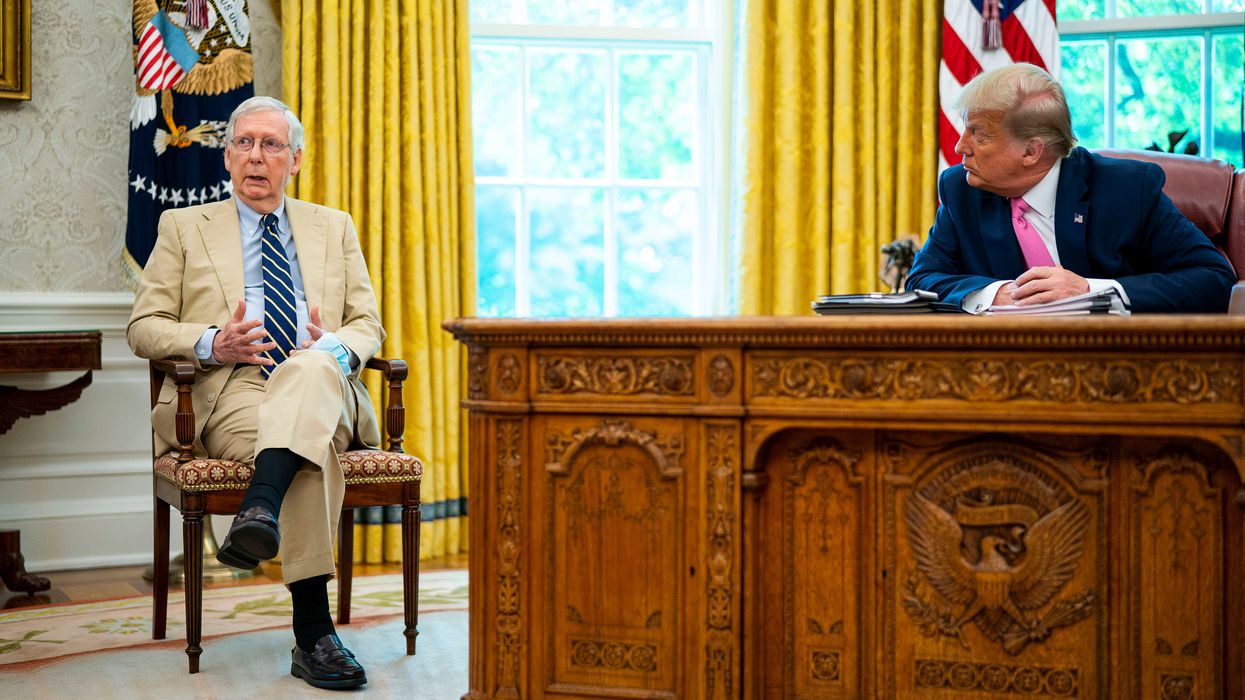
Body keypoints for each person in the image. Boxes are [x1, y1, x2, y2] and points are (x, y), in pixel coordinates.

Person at [127, 96, 381, 690]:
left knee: (312, 372)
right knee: (307, 450)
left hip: (322, 382)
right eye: (243, 143)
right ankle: (314, 636)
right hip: (234, 389)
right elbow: (143, 326)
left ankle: (259, 508)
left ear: (296, 159)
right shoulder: (183, 227)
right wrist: (213, 341)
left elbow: (368, 325)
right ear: (226, 157)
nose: (255, 156)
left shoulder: (333, 226)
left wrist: (333, 347)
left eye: (270, 144)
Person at [906, 63, 1235, 313]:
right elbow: (922, 280)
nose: (960, 147)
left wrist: (1090, 291)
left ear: (1031, 151)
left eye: (979, 135)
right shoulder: (961, 190)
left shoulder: (1127, 190)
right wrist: (995, 293)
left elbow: (1213, 278)